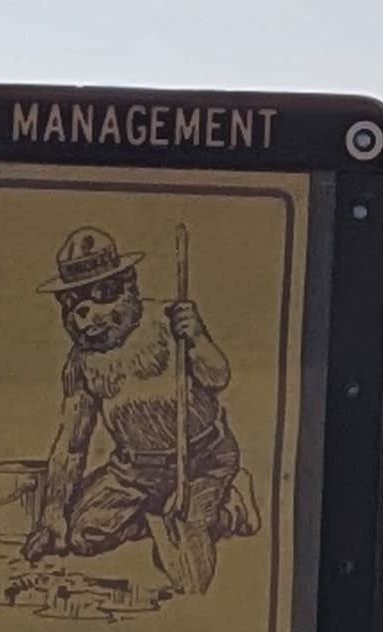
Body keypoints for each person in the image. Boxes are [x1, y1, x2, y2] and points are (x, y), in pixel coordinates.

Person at [22, 225, 252, 597]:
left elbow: (218, 377)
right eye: (73, 306)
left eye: (99, 298)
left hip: (200, 457)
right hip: (135, 471)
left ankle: (229, 508)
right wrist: (53, 513)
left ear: (126, 288)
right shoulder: (82, 363)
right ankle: (153, 514)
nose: (85, 317)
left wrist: (197, 336)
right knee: (82, 534)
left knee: (189, 565)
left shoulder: (168, 321)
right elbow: (72, 442)